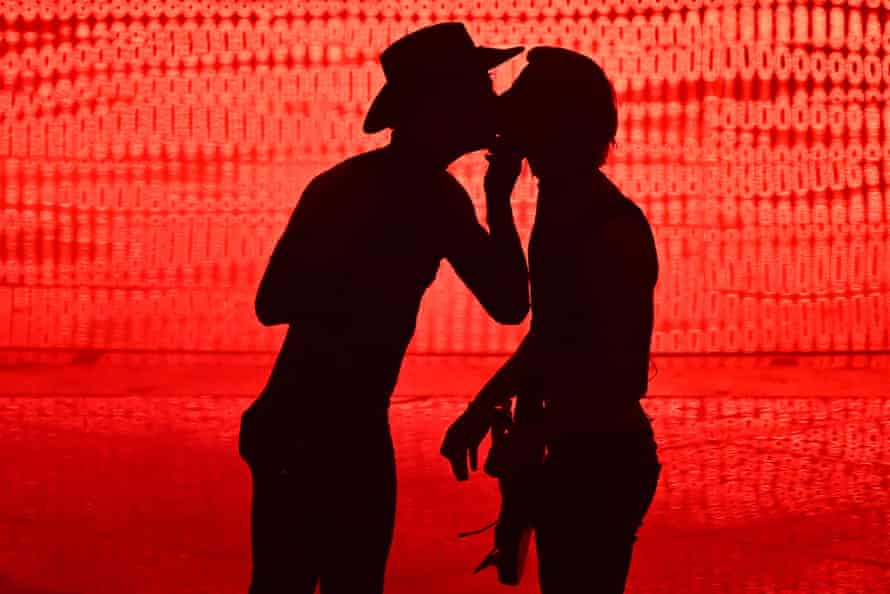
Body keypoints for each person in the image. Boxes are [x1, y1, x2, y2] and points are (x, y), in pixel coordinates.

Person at [238, 23, 530, 594]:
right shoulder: (399, 195)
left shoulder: (394, 191)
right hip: (320, 428)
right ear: (440, 106)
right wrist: (372, 268)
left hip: (324, 423)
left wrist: (498, 196)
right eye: (479, 90)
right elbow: (271, 303)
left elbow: (509, 304)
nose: (492, 102)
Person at [441, 47, 662, 594]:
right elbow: (547, 326)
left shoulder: (603, 224)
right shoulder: (563, 201)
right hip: (583, 451)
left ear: (554, 121)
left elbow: (618, 374)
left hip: (599, 459)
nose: (505, 110)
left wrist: (529, 429)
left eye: (521, 100)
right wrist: (497, 196)